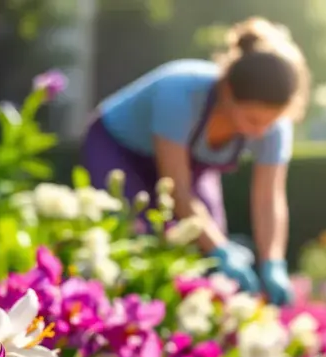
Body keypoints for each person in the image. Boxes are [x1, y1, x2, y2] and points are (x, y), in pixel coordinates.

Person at [81, 17, 310, 305]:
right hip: (118, 149)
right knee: (134, 238)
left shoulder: (274, 126)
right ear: (228, 93)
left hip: (188, 170)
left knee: (207, 256)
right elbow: (177, 190)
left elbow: (268, 199)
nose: (262, 131)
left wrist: (272, 263)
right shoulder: (180, 93)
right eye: (252, 120)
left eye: (270, 122)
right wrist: (221, 249)